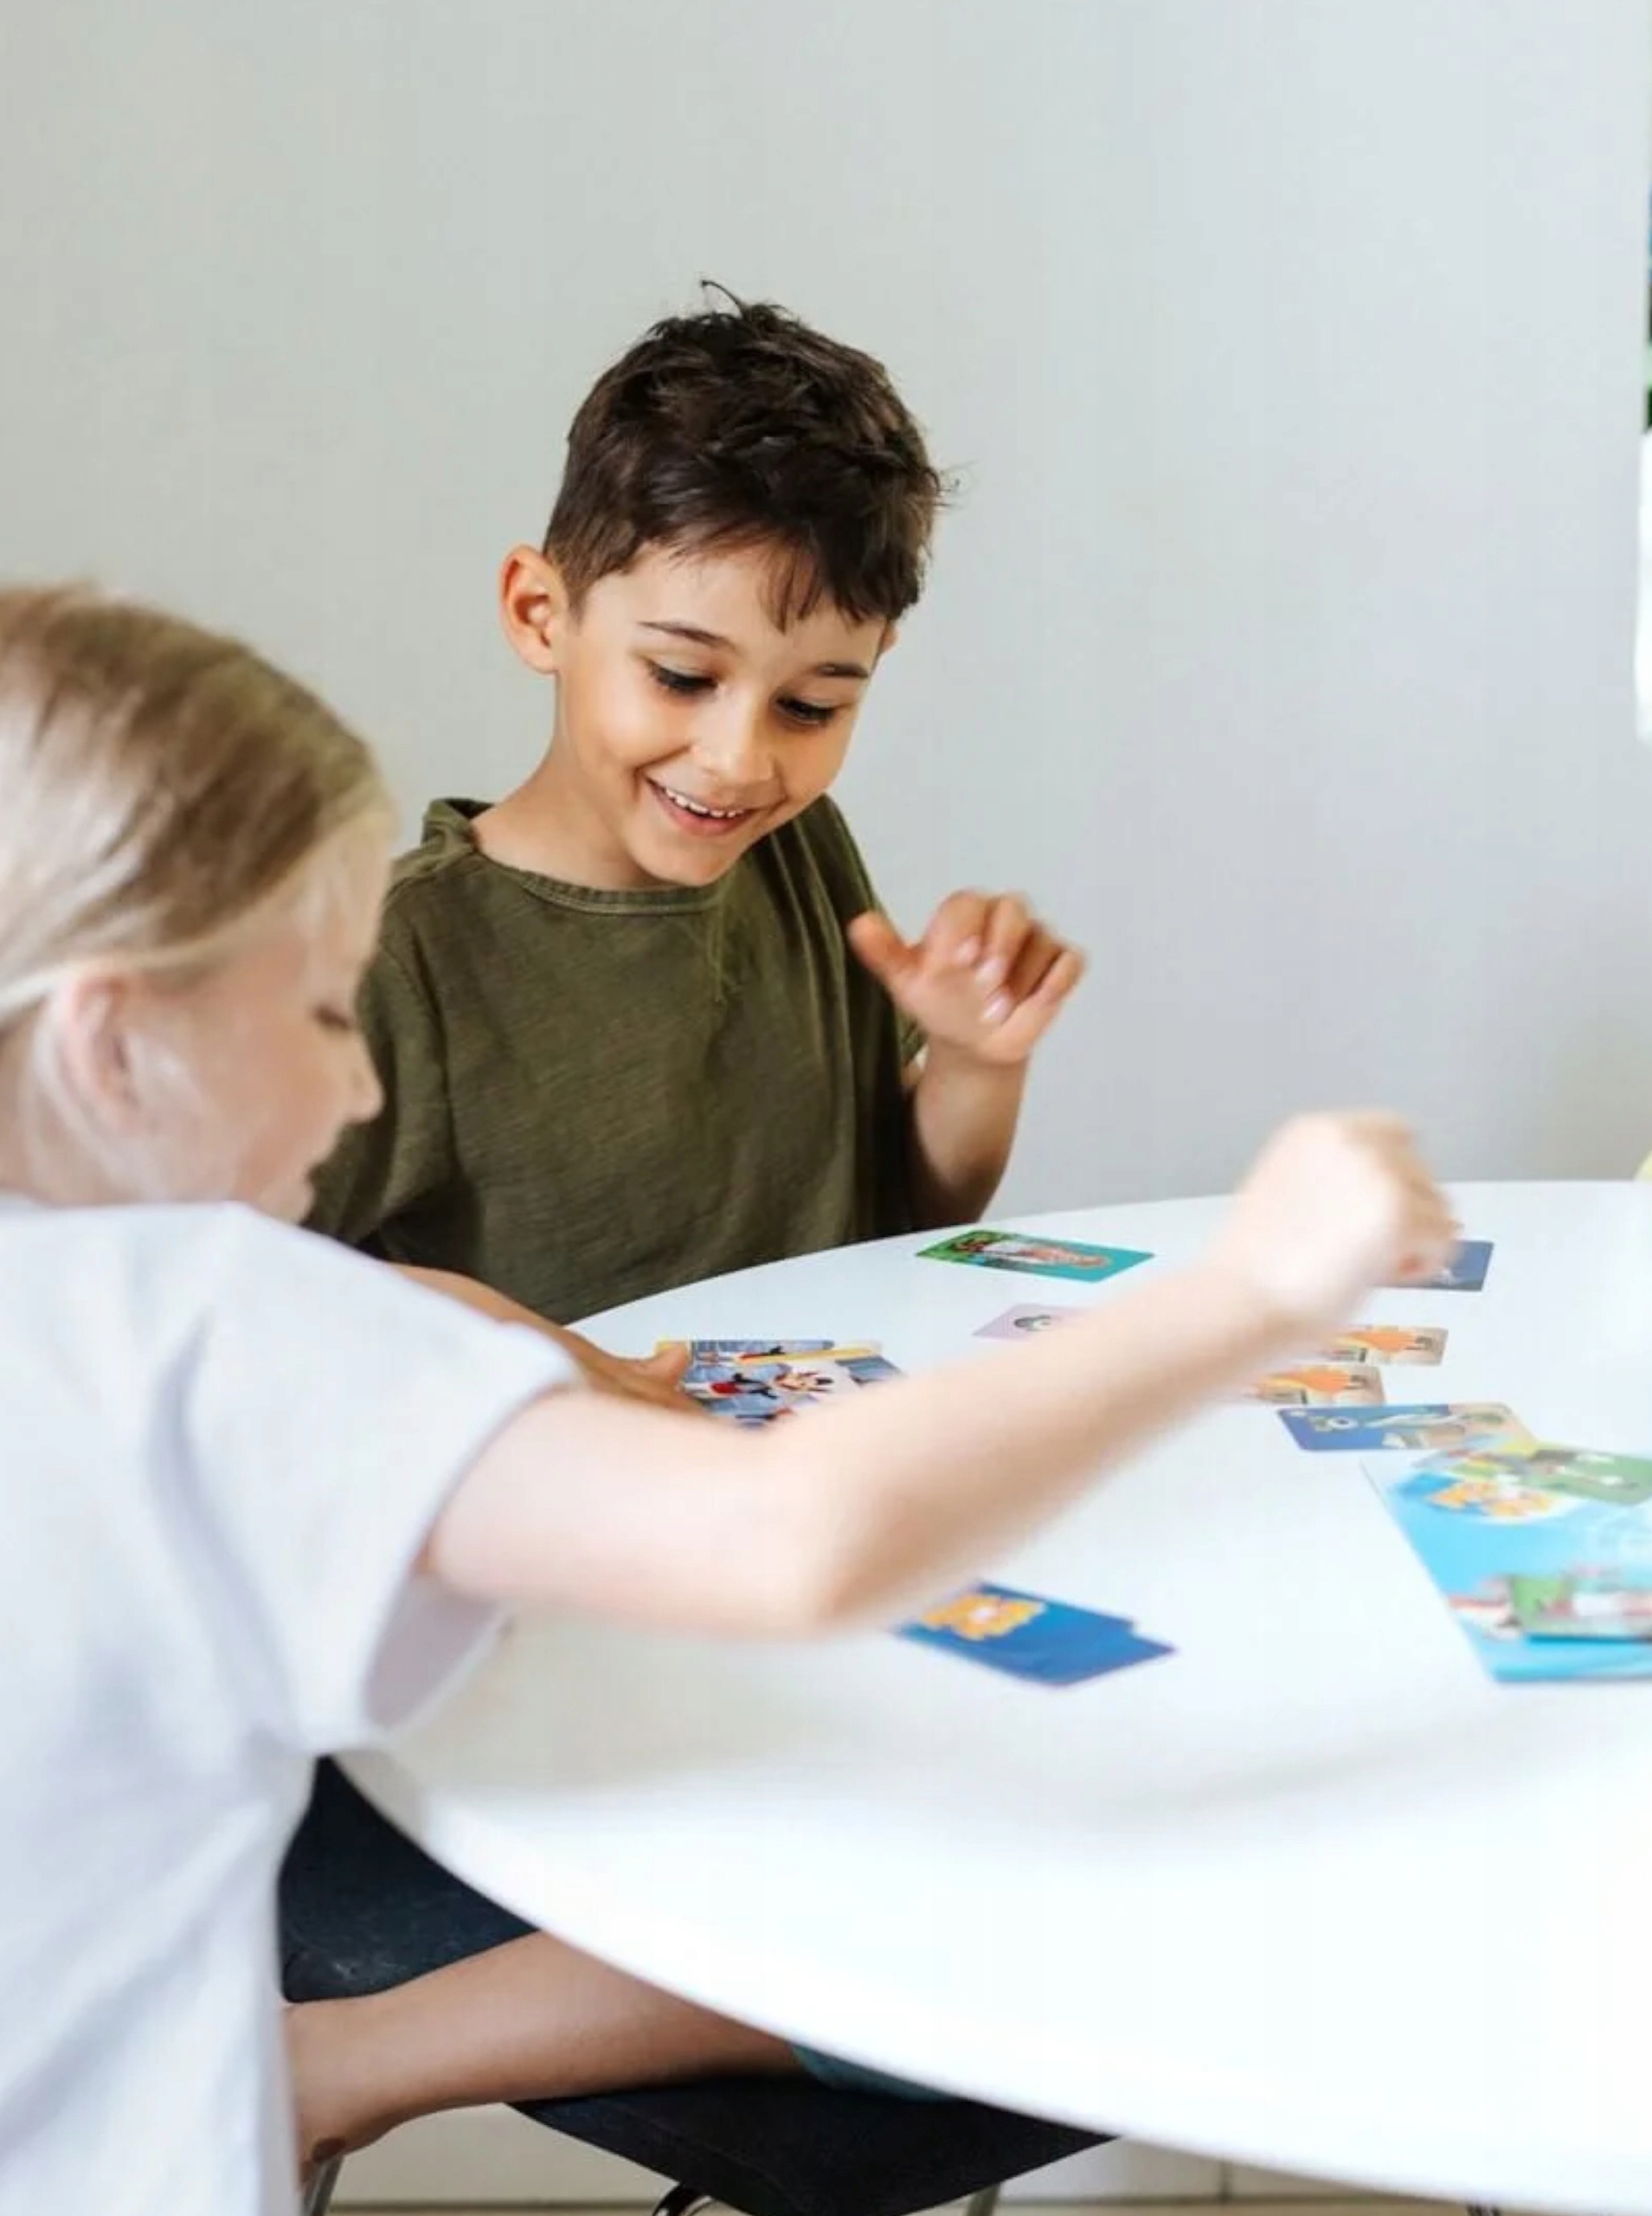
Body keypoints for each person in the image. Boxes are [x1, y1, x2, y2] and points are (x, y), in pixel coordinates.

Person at [0, 585, 1455, 2216]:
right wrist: (1254, 1284)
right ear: (110, 1039)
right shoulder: (198, 1323)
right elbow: (790, 1534)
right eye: (324, 1008)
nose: (354, 1083)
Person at [292, 290, 1088, 2149]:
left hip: (800, 1594)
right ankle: (329, 2064)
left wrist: (975, 1063)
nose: (740, 759)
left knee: (1102, 1867)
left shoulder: (798, 863)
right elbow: (222, 1321)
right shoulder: (395, 959)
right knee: (959, 1947)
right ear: (539, 612)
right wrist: (506, 1341)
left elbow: (901, 1219)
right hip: (540, 1653)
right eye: (681, 676)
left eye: (813, 705)